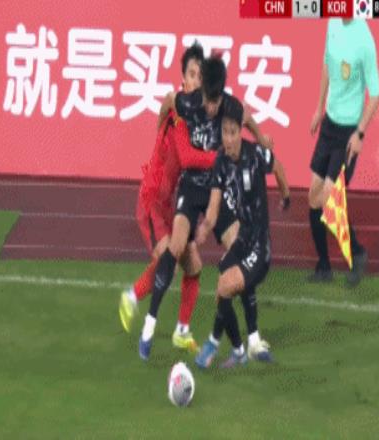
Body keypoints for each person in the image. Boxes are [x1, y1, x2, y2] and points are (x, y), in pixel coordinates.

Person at [138, 55, 275, 361]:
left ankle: (253, 339)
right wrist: (160, 132)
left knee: (241, 250)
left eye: (215, 102)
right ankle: (149, 326)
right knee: (175, 246)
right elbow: (168, 101)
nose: (211, 108)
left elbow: (246, 116)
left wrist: (261, 138)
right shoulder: (188, 102)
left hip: (217, 188)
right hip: (191, 186)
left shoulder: (229, 105)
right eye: (207, 101)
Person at [119, 43, 210, 353]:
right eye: (192, 74)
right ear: (183, 78)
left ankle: (182, 330)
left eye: (200, 76)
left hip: (170, 200)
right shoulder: (177, 107)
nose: (196, 81)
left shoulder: (194, 114)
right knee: (165, 258)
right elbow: (185, 156)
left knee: (193, 264)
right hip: (152, 199)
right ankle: (132, 296)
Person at [194, 96, 290, 369]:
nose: (228, 139)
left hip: (260, 245)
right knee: (222, 283)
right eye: (224, 132)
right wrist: (205, 227)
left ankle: (219, 343)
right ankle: (240, 348)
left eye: (233, 132)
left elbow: (279, 168)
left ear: (240, 132)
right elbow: (214, 207)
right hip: (243, 238)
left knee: (226, 286)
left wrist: (285, 196)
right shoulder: (221, 163)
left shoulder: (255, 155)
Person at [308, 18, 379, 286]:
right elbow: (327, 64)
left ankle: (357, 252)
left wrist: (360, 133)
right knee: (313, 197)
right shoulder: (333, 24)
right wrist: (319, 109)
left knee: (330, 197)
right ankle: (324, 267)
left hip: (348, 133)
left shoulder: (365, 40)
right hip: (329, 125)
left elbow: (375, 93)